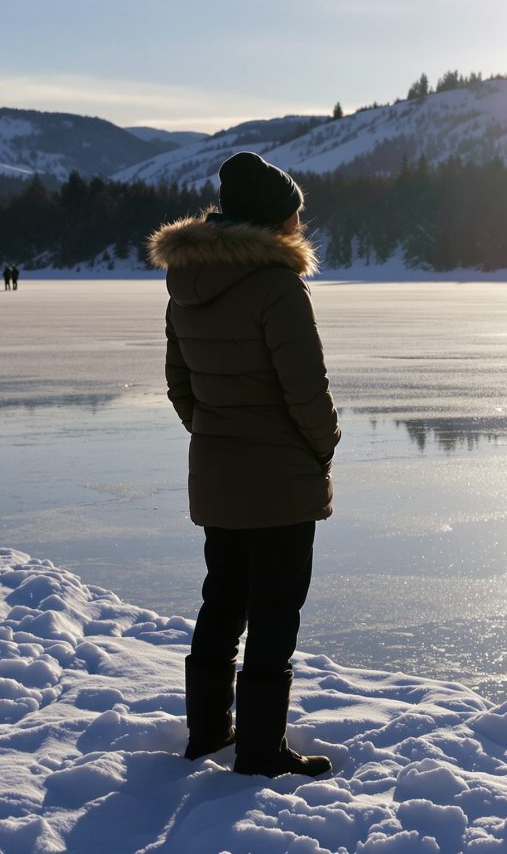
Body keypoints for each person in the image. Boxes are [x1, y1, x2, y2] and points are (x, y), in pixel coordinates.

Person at [147, 152, 338, 778]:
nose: (299, 223)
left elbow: (180, 385)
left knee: (222, 601)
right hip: (280, 479)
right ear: (273, 219)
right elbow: (305, 390)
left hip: (219, 472)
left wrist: (214, 436)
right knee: (277, 606)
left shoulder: (186, 283)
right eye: (294, 213)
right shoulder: (278, 285)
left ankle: (208, 733)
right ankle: (259, 751)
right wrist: (321, 447)